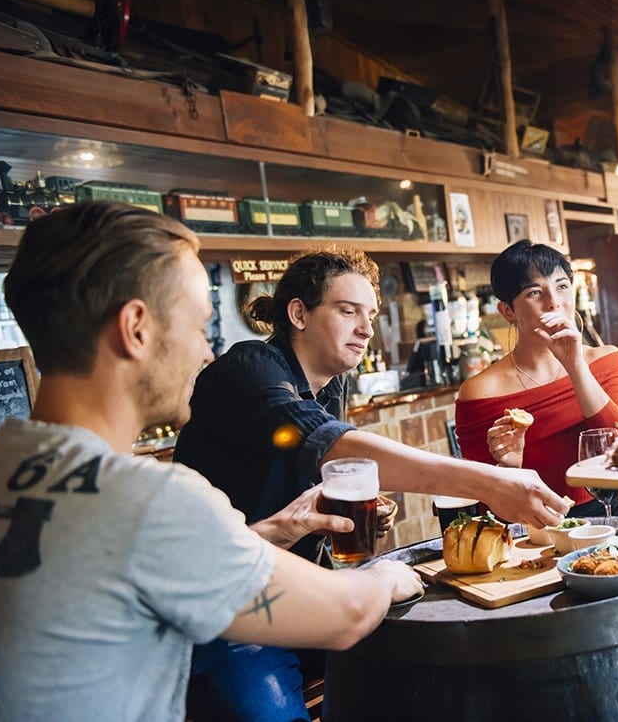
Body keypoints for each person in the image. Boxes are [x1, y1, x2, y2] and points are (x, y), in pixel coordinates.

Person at [0, 202, 423, 721]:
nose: (206, 353)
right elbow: (347, 613)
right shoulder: (148, 499)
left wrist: (277, 528)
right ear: (136, 328)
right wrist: (388, 577)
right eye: (197, 327)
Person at [175, 247, 570, 721]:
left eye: (370, 314)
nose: (366, 328)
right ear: (298, 313)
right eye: (348, 312)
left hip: (305, 593)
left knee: (433, 676)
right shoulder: (249, 368)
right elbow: (331, 446)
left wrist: (350, 514)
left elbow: (315, 482)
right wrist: (490, 482)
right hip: (229, 617)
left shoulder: (332, 385)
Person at [455, 240, 618, 517]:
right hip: (524, 529)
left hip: (605, 515)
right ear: (508, 312)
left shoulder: (608, 361)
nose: (554, 303)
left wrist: (576, 367)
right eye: (535, 292)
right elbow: (481, 496)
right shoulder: (480, 392)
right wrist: (509, 468)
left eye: (562, 286)